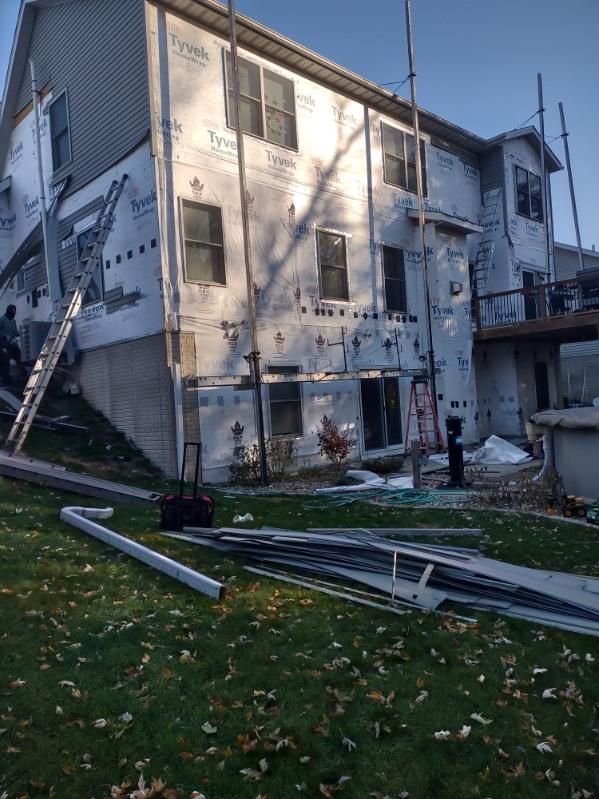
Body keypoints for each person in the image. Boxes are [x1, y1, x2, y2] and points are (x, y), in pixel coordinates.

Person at [0, 305, 21, 385]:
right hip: (3, 345)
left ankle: (20, 377)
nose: (14, 313)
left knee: (20, 358)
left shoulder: (13, 321)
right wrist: (5, 337)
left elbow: (15, 333)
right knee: (5, 362)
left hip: (13, 344)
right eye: (13, 311)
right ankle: (6, 381)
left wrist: (23, 332)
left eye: (15, 311)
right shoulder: (2, 320)